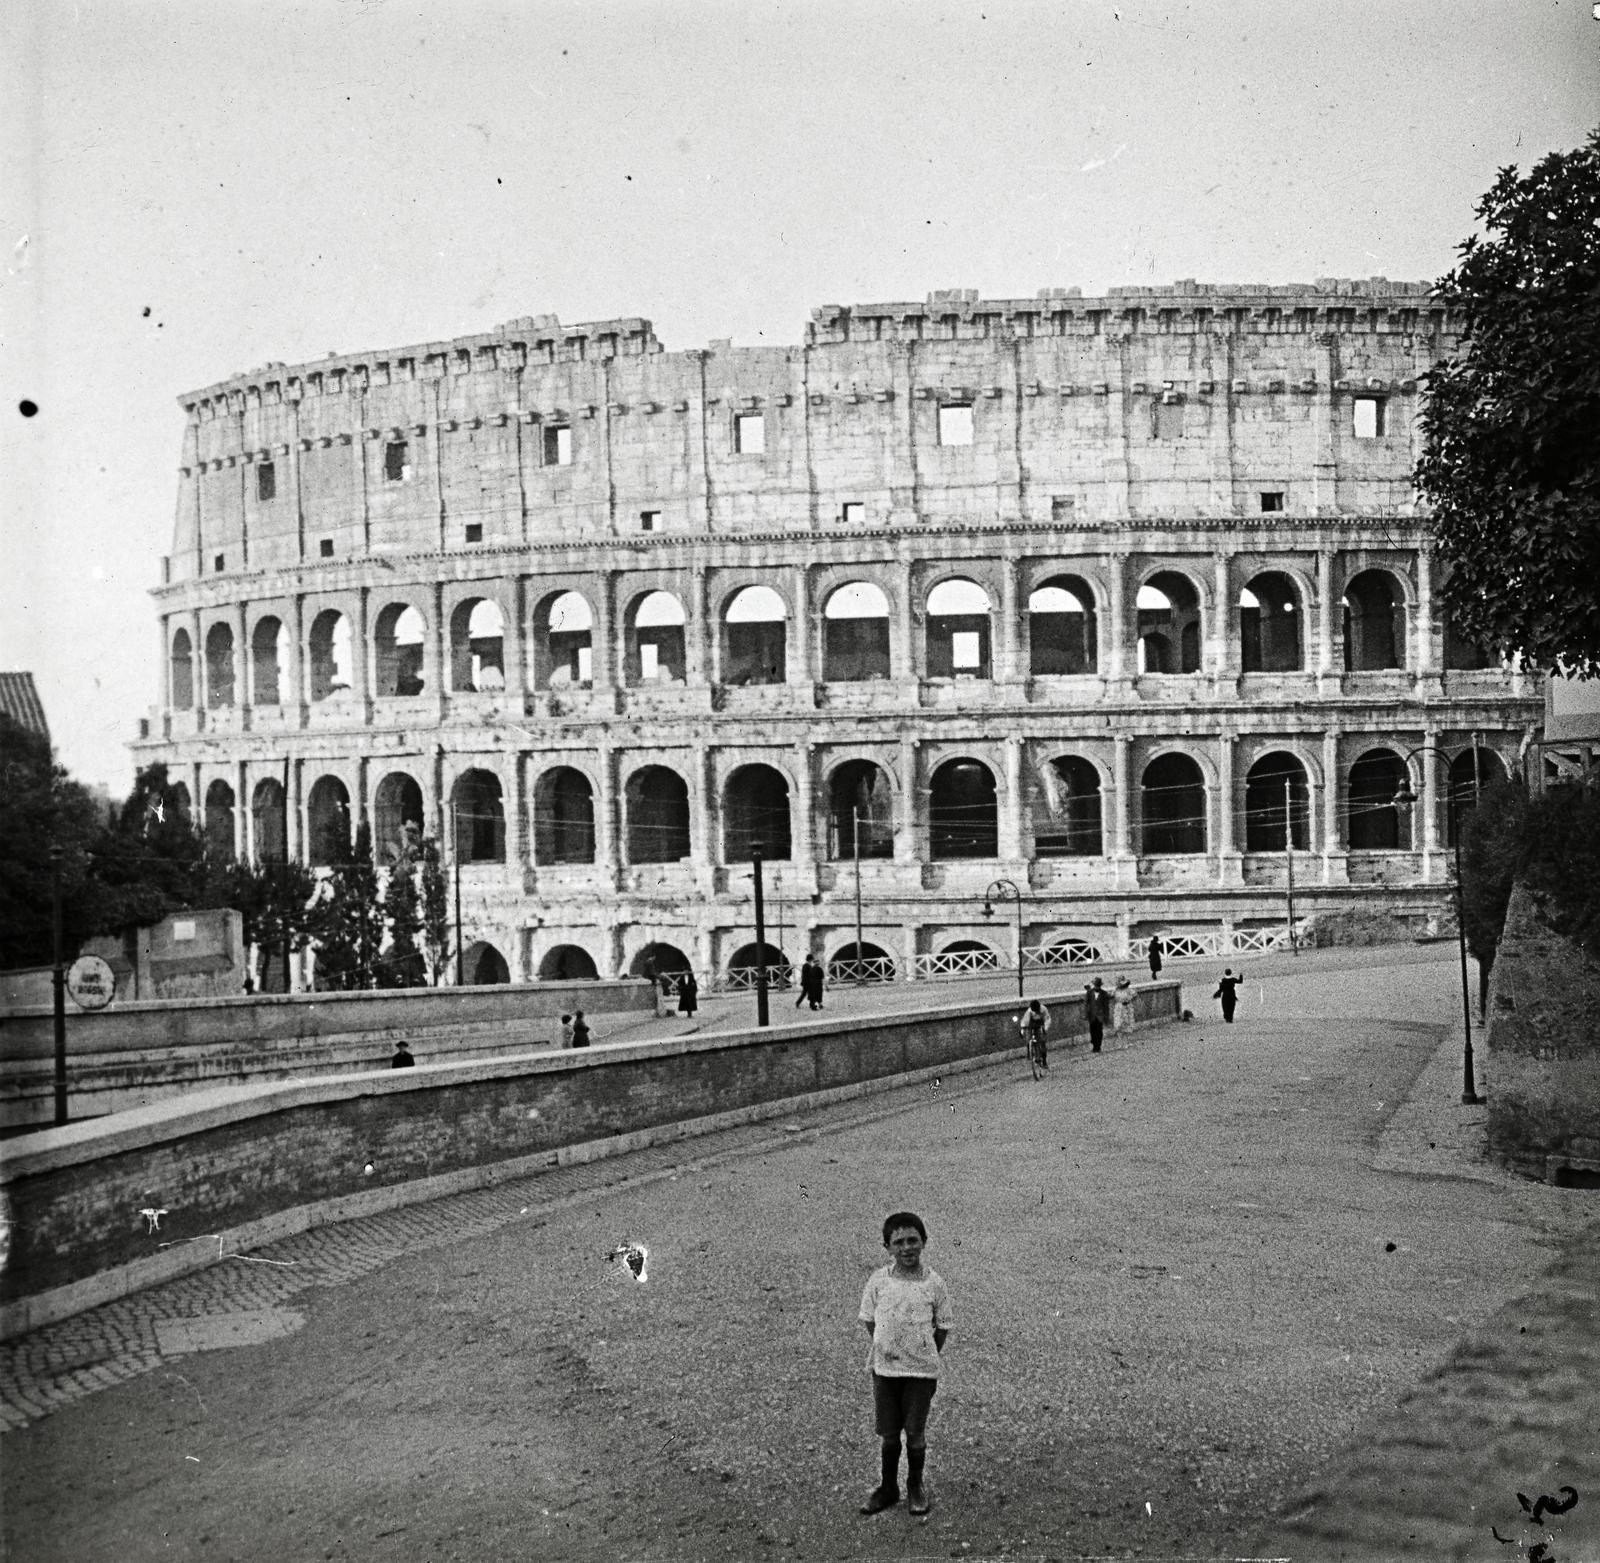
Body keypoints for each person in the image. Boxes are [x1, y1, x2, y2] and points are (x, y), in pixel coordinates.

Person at [858, 1211, 952, 1518]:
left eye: (913, 1240)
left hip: (920, 1373)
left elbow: (942, 1327)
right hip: (886, 1371)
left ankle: (915, 1485)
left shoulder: (934, 1284)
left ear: (924, 1241)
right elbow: (871, 1321)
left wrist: (922, 1352)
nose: (907, 1248)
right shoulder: (878, 1281)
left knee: (915, 1433)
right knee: (888, 1433)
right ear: (887, 1247)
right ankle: (888, 1487)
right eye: (898, 1242)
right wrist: (889, 1348)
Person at [1020, 998, 1050, 1070]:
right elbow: (1025, 1021)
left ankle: (1044, 1061)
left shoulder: (1043, 1009)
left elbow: (1047, 1019)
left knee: (1042, 1041)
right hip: (1031, 1024)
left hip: (1040, 1024)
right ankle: (1029, 1050)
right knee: (1028, 1038)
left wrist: (1045, 1028)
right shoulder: (1029, 1011)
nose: (1035, 1012)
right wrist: (1022, 1030)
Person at [1083, 978, 1111, 1053]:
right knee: (1092, 1031)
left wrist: (1106, 1017)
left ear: (1100, 986)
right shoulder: (1089, 992)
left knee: (1099, 1031)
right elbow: (1086, 1004)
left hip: (1100, 1016)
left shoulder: (1104, 993)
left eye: (1097, 986)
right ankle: (1094, 1044)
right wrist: (1085, 1014)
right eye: (1095, 985)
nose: (1096, 987)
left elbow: (1106, 1006)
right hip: (1092, 1015)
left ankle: (1097, 1047)